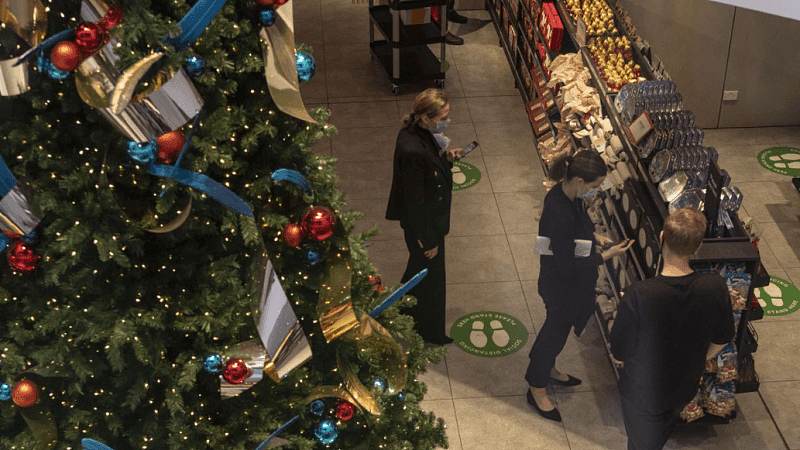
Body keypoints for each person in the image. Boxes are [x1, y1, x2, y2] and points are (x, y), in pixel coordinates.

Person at [610, 208, 734, 450]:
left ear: (661, 237)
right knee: (658, 434)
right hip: (682, 387)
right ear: (697, 247)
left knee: (642, 443)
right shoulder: (715, 287)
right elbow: (722, 339)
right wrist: (694, 359)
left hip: (642, 390)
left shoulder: (640, 295)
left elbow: (619, 352)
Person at [525, 151, 633, 422]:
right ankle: (536, 385)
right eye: (595, 186)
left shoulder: (566, 196)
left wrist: (594, 236)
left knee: (557, 333)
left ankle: (547, 369)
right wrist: (605, 256)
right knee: (554, 334)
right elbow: (565, 264)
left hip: (562, 282)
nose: (595, 192)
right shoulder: (559, 211)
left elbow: (567, 235)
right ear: (582, 182)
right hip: (561, 287)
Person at [385, 89, 462, 345]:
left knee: (419, 269)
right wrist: (428, 240)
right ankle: (430, 330)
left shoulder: (414, 133)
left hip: (425, 223)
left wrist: (446, 159)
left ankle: (398, 311)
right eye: (443, 116)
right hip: (425, 226)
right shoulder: (414, 151)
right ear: (426, 118)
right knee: (431, 277)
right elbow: (415, 201)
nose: (446, 120)